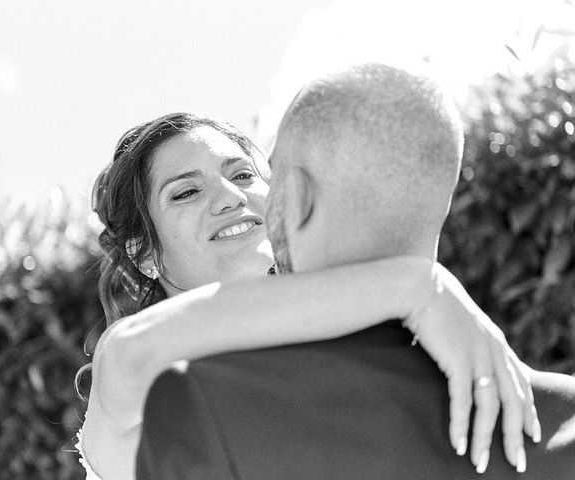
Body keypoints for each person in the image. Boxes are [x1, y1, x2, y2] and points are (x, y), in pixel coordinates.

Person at [134, 64, 575, 479]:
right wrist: (419, 284)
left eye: (250, 174)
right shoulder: (562, 413)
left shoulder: (199, 417)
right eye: (186, 191)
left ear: (293, 197)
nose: (232, 198)